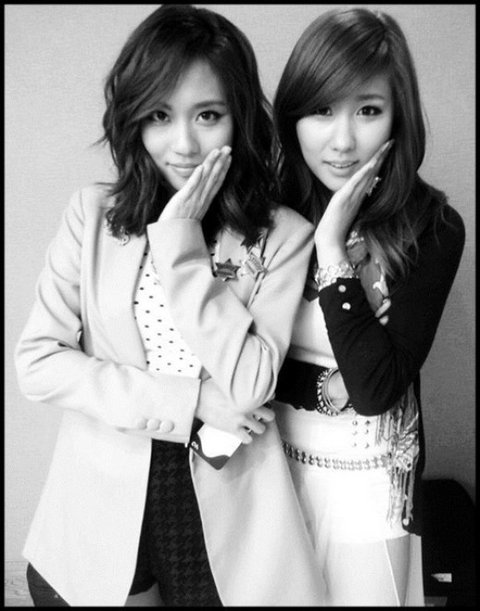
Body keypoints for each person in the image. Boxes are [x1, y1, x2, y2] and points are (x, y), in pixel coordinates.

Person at [15, 4, 325, 607]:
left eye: (208, 115)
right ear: (134, 118)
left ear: (238, 116)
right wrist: (190, 402)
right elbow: (38, 362)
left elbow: (250, 384)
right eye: (160, 115)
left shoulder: (283, 235)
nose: (183, 144)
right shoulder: (92, 217)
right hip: (106, 487)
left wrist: (181, 245)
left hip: (225, 497)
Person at [272, 7, 465, 606]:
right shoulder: (266, 215)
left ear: (397, 116)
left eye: (368, 110)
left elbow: (377, 386)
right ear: (293, 116)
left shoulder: (432, 228)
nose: (343, 140)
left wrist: (332, 246)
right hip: (268, 478)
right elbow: (235, 360)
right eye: (322, 110)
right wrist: (322, 387)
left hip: (368, 487)